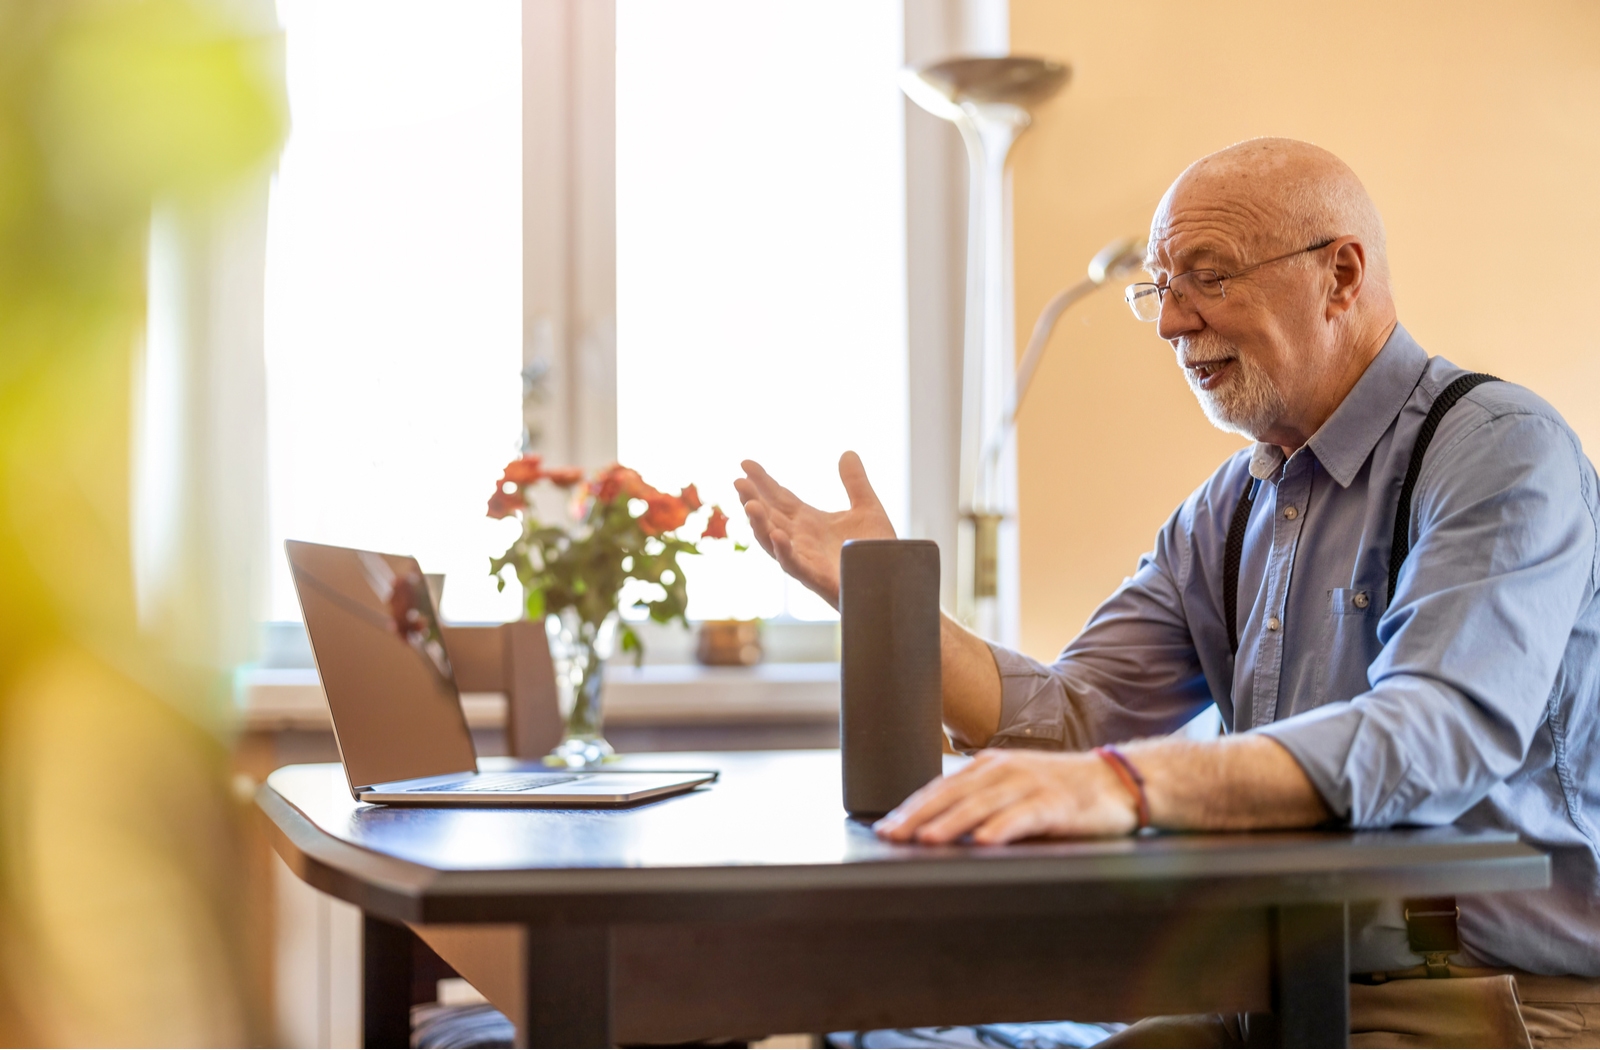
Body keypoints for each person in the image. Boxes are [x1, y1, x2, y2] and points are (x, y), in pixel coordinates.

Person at [734, 138, 1600, 1048]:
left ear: (1340, 275)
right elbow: (1074, 718)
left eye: (1207, 277)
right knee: (851, 1033)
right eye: (1159, 286)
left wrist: (1126, 787)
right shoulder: (1231, 508)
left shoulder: (1499, 449)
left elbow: (1436, 729)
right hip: (1281, 984)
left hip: (1499, 1004)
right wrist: (881, 599)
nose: (1170, 322)